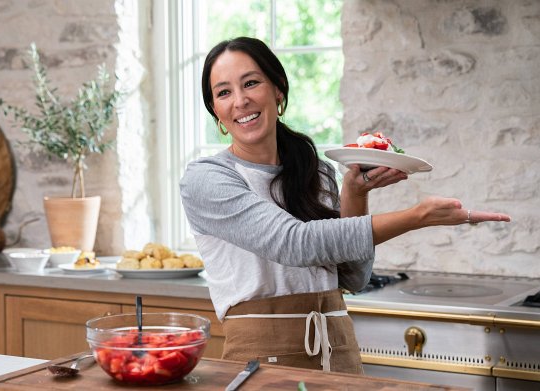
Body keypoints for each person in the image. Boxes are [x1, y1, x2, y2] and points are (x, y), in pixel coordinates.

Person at [179, 37, 511, 374]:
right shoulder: (207, 179)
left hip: (338, 351)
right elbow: (294, 243)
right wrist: (417, 217)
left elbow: (354, 277)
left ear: (278, 90)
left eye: (251, 83)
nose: (240, 100)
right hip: (263, 360)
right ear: (216, 112)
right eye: (224, 93)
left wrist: (355, 193)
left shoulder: (315, 171)